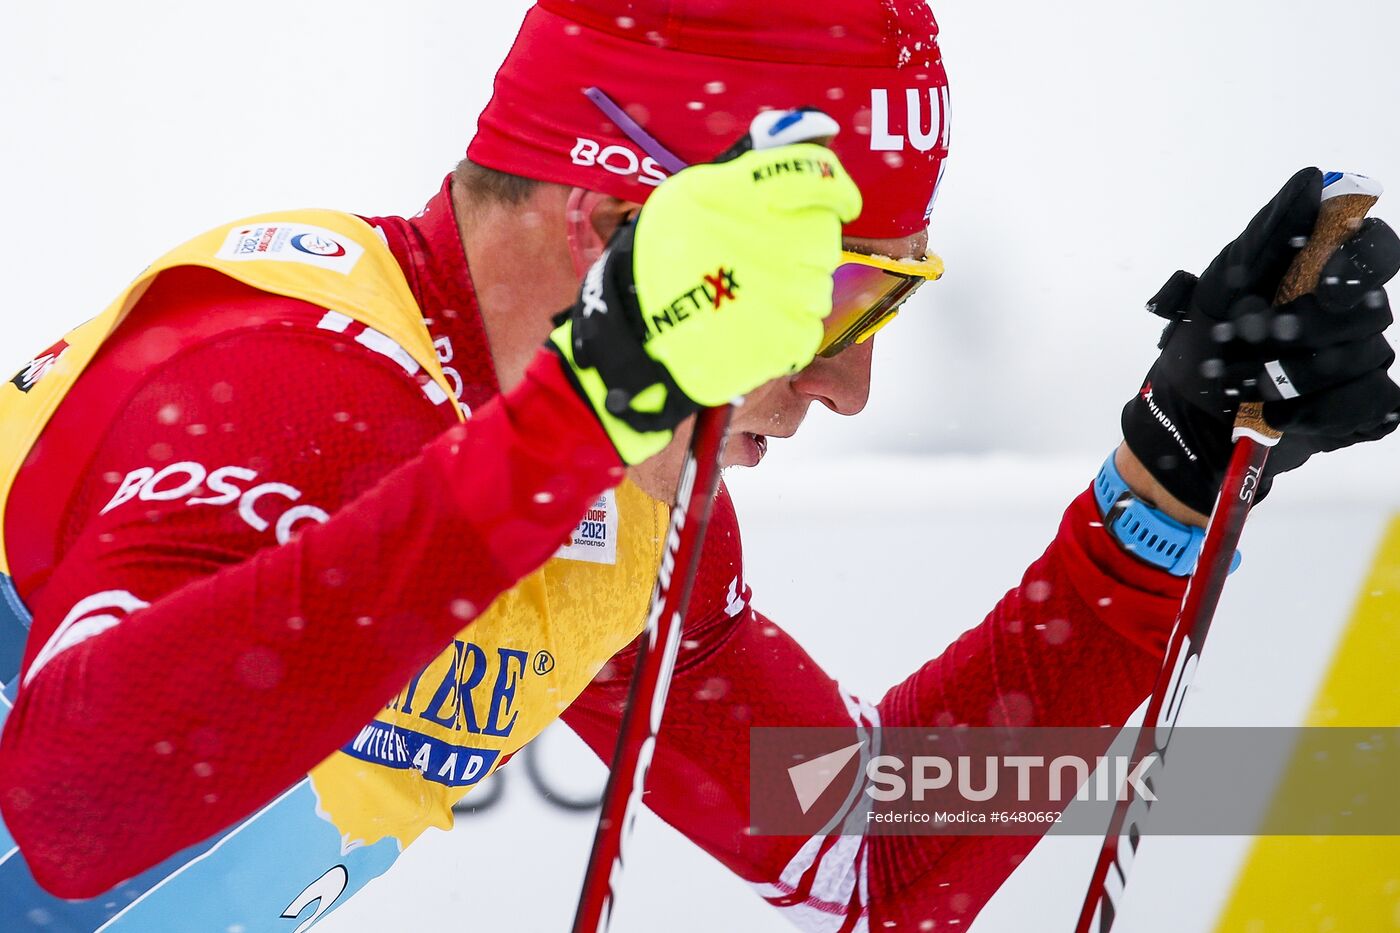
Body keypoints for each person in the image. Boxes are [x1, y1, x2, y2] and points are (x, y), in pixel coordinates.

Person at [1, 1, 1396, 930]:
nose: (851, 384)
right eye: (833, 301)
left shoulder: (609, 488)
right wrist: (586, 416)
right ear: (614, 235)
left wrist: (1158, 491)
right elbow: (71, 805)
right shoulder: (282, 372)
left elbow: (869, 843)